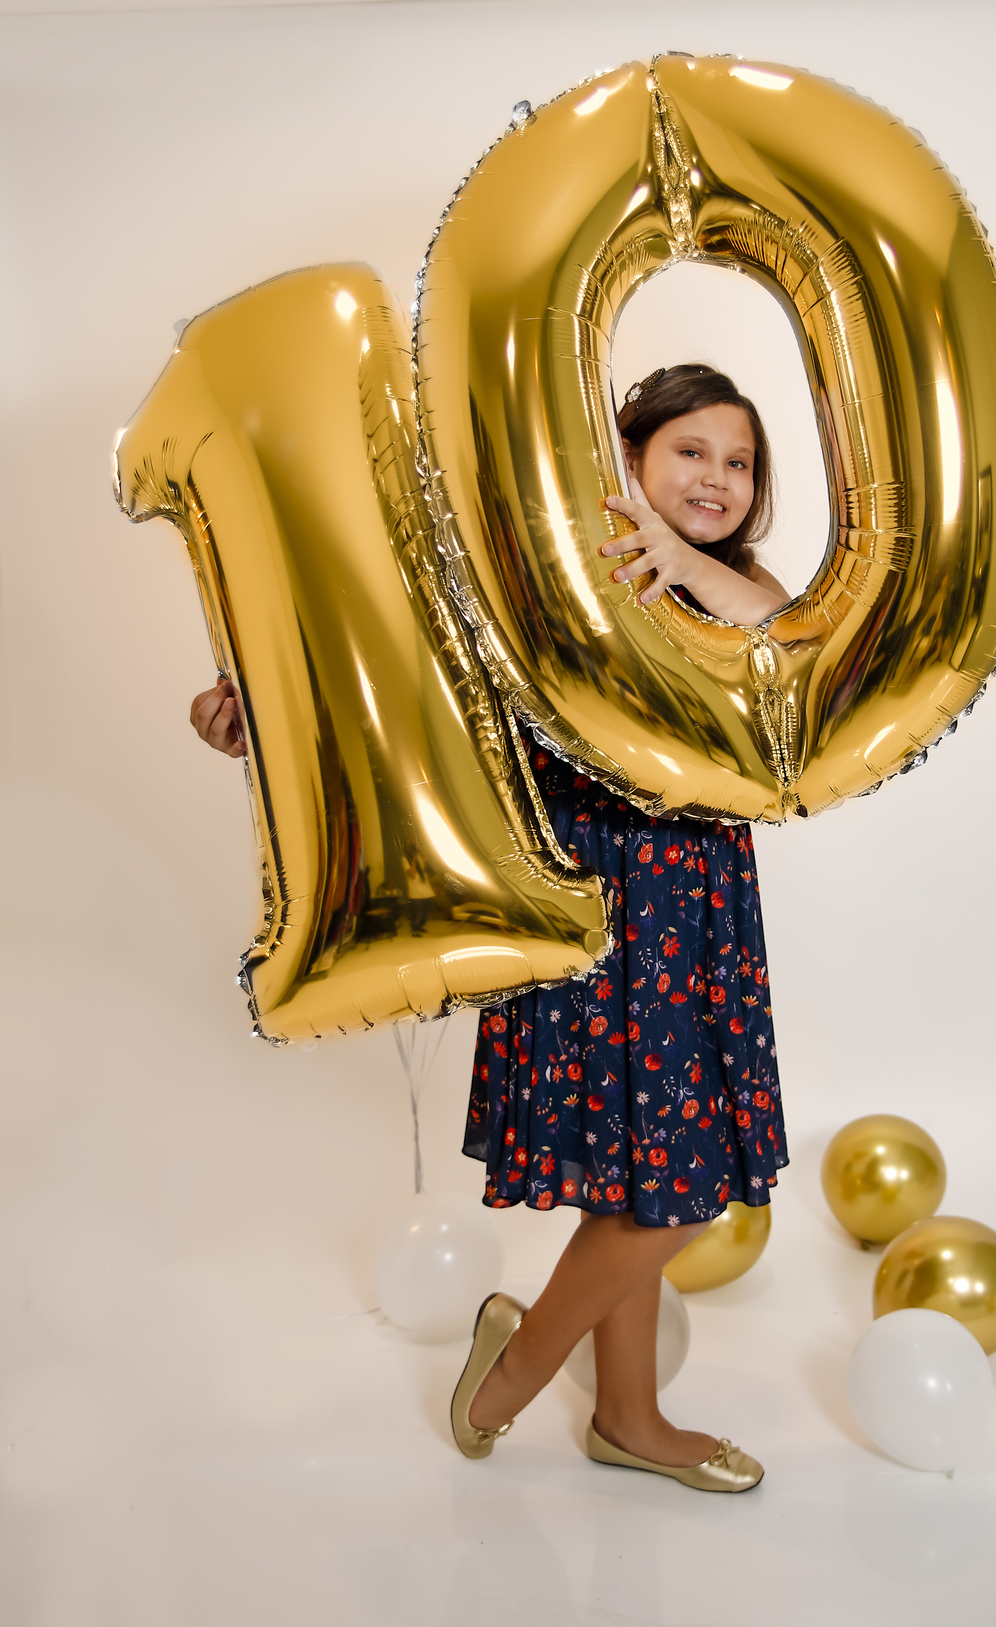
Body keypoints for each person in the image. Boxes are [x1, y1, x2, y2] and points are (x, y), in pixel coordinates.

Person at [189, 363, 790, 1494]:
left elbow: (802, 640)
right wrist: (253, 712)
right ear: (628, 458)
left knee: (649, 1176)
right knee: (674, 1181)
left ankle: (627, 1415)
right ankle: (514, 1370)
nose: (717, 476)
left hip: (701, 902)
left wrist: (687, 563)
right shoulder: (550, 567)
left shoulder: (737, 587)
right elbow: (400, 662)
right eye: (690, 451)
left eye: (739, 462)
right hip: (595, 896)